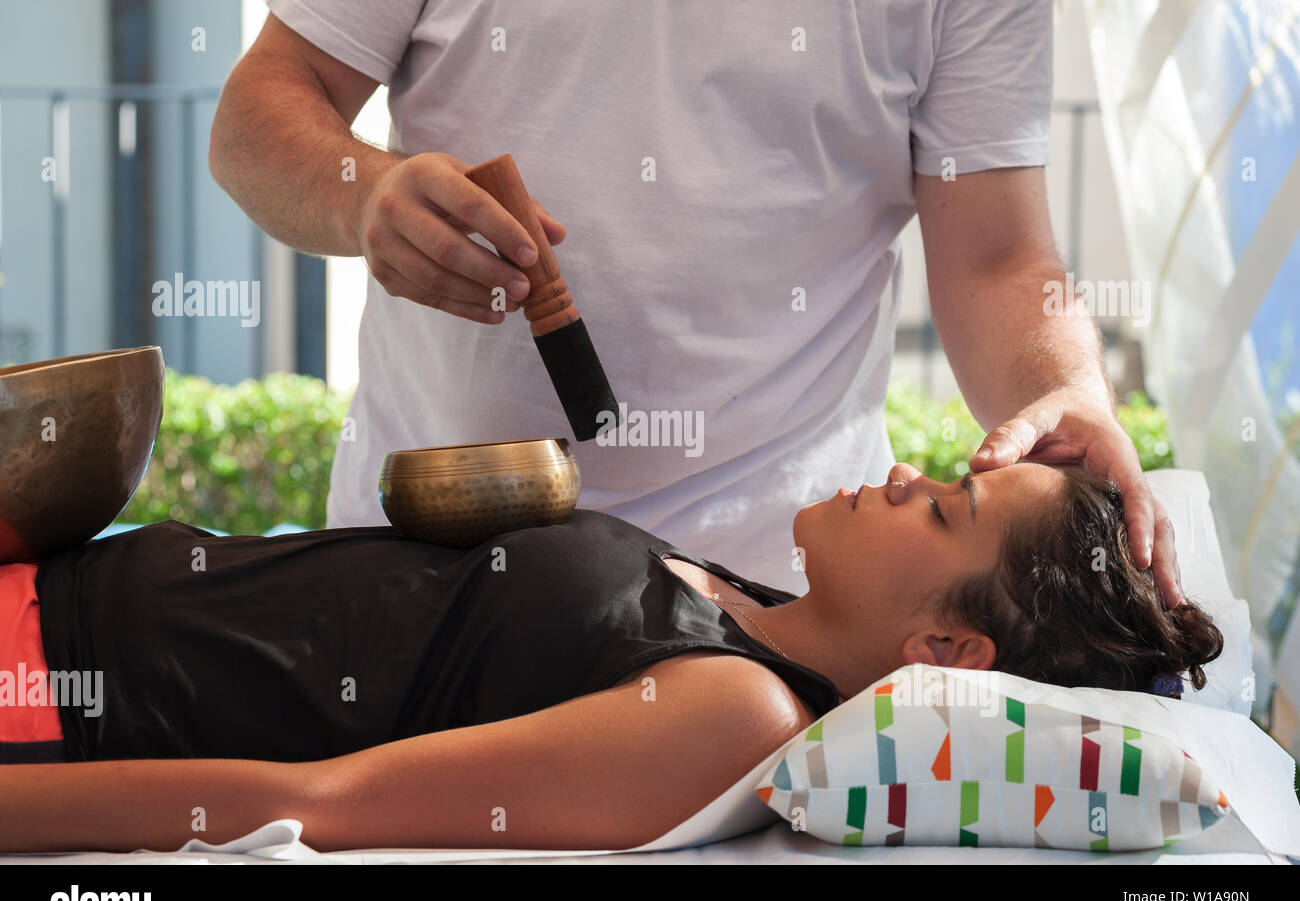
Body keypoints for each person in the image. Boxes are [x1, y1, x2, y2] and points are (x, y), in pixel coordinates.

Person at [207, 2, 1187, 609]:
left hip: (772, 608)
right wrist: (364, 191)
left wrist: (1070, 390)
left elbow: (1000, 258)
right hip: (427, 575)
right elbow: (259, 117)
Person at [0, 462, 1220, 853]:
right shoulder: (741, 599)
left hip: (59, 694)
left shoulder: (732, 712)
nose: (904, 474)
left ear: (944, 646)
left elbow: (316, 806)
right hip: (71, 587)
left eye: (943, 506)